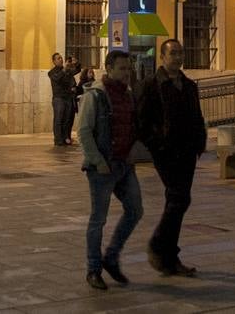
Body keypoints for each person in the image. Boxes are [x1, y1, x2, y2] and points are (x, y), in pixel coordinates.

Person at [136, 39, 206, 278]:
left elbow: (196, 115)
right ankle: (158, 245)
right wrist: (156, 145)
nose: (178, 57)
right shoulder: (151, 85)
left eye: (180, 53)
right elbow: (142, 121)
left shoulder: (188, 86)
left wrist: (200, 141)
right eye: (173, 53)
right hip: (166, 152)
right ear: (162, 57)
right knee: (179, 198)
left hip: (188, 151)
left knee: (177, 200)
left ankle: (169, 258)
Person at [77, 49, 143, 291]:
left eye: (129, 68)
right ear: (109, 68)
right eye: (123, 68)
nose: (127, 73)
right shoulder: (96, 95)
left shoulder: (127, 95)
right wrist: (97, 160)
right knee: (98, 219)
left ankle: (111, 257)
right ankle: (93, 269)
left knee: (135, 210)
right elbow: (83, 131)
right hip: (102, 168)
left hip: (125, 164)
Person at [49, 52, 76, 146]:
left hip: (67, 97)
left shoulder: (66, 70)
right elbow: (57, 78)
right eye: (58, 58)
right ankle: (58, 139)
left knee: (67, 119)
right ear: (54, 61)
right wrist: (64, 69)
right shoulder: (52, 72)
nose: (61, 59)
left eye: (61, 58)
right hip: (58, 98)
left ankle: (65, 138)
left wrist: (75, 63)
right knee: (58, 119)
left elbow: (76, 70)